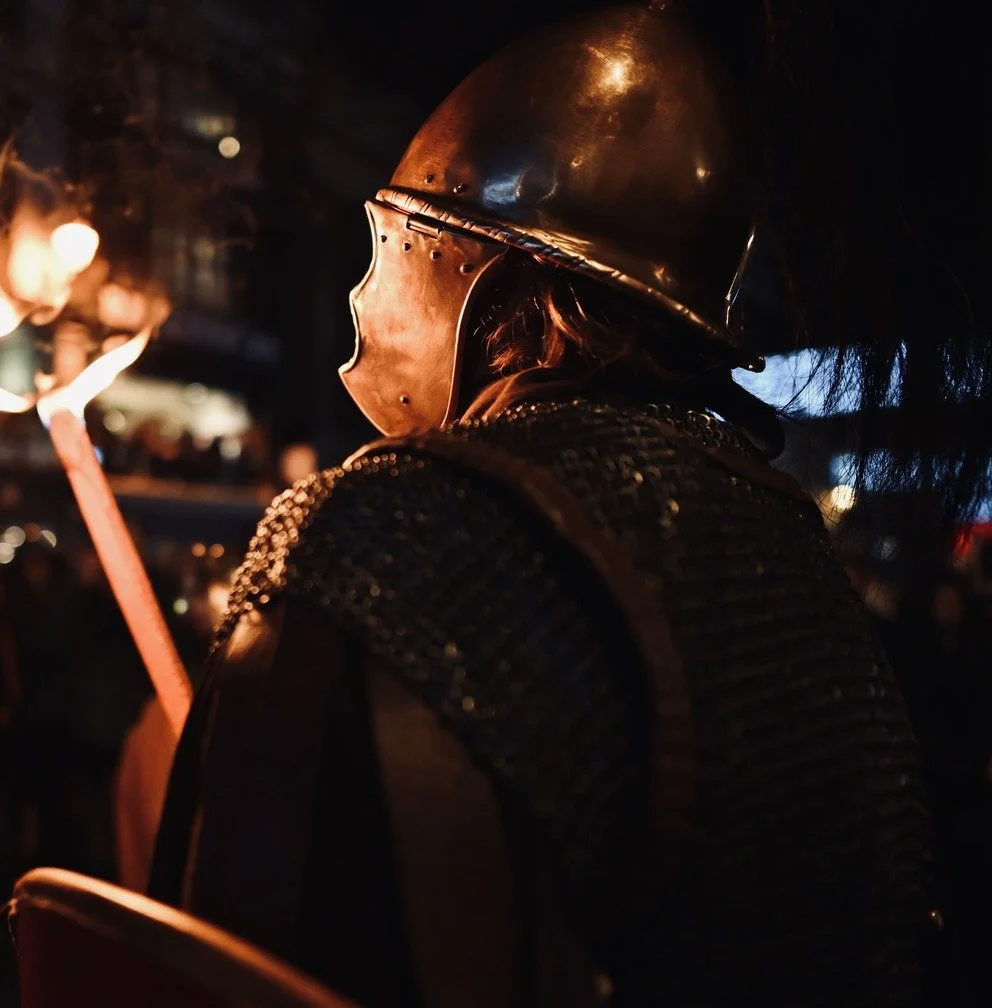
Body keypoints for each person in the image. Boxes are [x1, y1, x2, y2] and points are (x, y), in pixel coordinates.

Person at [150, 6, 972, 1006]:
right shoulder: (790, 547)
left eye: (401, 244)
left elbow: (240, 962)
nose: (369, 290)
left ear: (491, 287)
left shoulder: (397, 533)